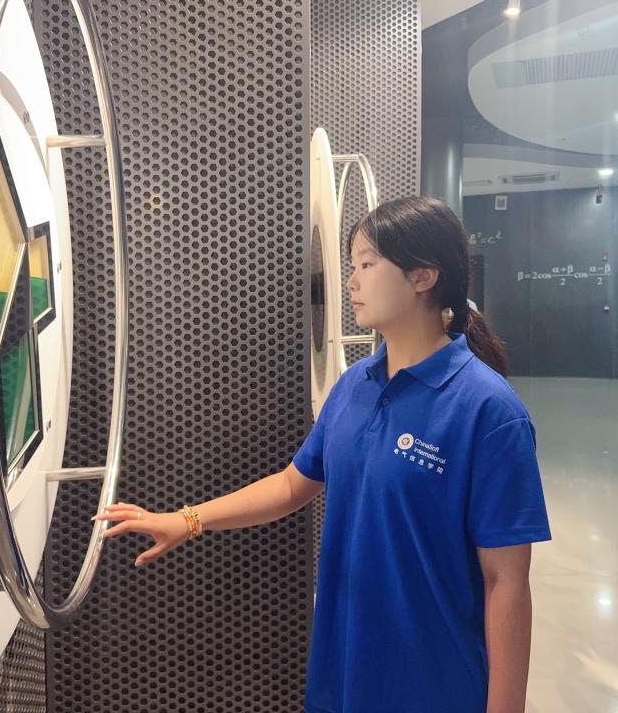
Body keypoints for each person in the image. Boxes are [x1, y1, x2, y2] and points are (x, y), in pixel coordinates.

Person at [94, 196, 552, 713]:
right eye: (351, 266)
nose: (351, 282)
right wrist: (187, 520)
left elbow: (506, 581)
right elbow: (293, 484)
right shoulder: (355, 385)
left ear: (423, 277)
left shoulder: (488, 410)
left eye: (367, 265)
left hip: (434, 683)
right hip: (344, 669)